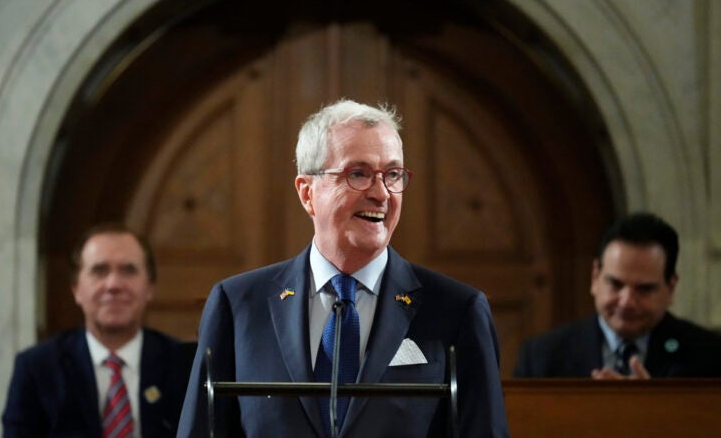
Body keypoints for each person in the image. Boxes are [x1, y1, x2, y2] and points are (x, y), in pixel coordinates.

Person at [177, 100, 509, 437]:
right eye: (358, 174)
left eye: (393, 174)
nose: (381, 193)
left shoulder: (457, 311)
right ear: (307, 193)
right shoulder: (238, 305)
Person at [2, 223, 193, 437]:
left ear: (150, 288)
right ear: (76, 289)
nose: (113, 284)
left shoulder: (184, 366)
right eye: (99, 271)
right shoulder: (37, 369)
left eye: (128, 270)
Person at [513, 211, 721, 379]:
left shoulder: (710, 356)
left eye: (644, 289)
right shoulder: (542, 357)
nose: (627, 301)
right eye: (615, 284)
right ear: (595, 277)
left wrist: (654, 412)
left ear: (671, 288)